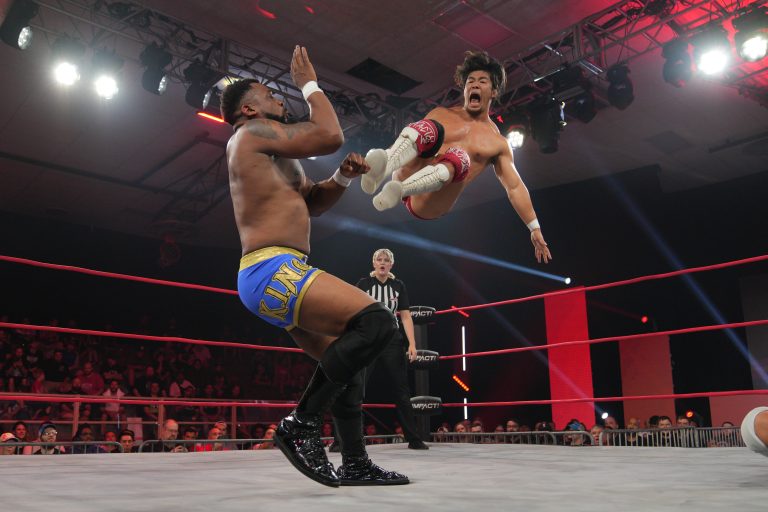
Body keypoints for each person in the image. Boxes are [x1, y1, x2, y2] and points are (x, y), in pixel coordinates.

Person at [219, 45, 408, 487]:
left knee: (346, 366)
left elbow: (313, 203)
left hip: (275, 273)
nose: (278, 98)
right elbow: (329, 134)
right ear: (249, 108)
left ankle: (355, 462)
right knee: (378, 323)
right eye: (269, 94)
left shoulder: (276, 153)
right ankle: (301, 423)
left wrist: (341, 177)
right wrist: (308, 84)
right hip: (272, 267)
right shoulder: (250, 134)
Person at [362, 50, 551, 264]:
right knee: (429, 129)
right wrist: (377, 163)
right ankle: (381, 171)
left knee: (459, 158)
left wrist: (534, 227)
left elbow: (514, 187)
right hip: (405, 173)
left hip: (429, 201)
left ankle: (399, 191)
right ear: (465, 88)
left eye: (482, 81)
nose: (475, 85)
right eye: (470, 81)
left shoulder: (497, 142)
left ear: (493, 91)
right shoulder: (441, 114)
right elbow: (409, 142)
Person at [331, 248, 427, 451]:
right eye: (379, 259)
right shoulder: (364, 284)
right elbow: (352, 309)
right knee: (355, 388)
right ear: (374, 263)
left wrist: (412, 344)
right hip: (367, 340)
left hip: (391, 341)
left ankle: (414, 439)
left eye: (386, 260)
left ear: (391, 264)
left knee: (401, 390)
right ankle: (342, 440)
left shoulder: (398, 285)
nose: (382, 263)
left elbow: (405, 315)